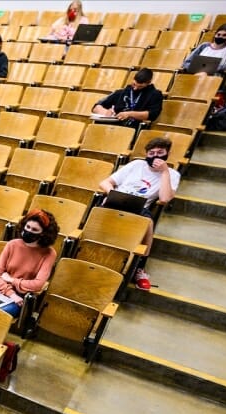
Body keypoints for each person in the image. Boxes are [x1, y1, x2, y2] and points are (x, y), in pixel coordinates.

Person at [98, 136, 181, 290]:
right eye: (151, 153)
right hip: (117, 199)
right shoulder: (136, 165)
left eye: (160, 152)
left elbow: (164, 199)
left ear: (167, 154)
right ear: (146, 154)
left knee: (148, 223)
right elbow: (104, 182)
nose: (155, 156)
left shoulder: (172, 175)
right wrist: (113, 194)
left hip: (139, 207)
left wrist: (164, 173)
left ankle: (139, 268)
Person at [0, 209, 59, 317]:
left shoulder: (49, 253)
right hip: (0, 288)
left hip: (20, 297)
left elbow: (38, 284)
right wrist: (10, 293)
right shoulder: (12, 244)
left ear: (43, 233)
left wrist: (12, 280)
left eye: (34, 229)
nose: (29, 231)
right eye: (28, 227)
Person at [91, 68, 164, 126]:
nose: (135, 88)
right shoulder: (121, 92)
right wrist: (105, 112)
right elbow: (96, 106)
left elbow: (152, 114)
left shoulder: (155, 94)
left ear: (149, 83)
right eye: (134, 84)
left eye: (140, 86)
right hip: (115, 123)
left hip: (134, 125)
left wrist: (129, 114)